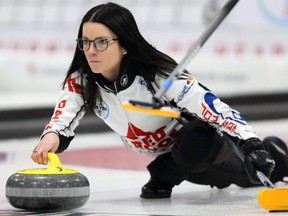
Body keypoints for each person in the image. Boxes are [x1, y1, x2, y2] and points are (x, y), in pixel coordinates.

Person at [31, 2, 288, 199]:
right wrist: (50, 137)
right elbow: (63, 118)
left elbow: (213, 108)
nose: (91, 51)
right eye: (85, 42)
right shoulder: (82, 81)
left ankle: (277, 158)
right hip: (171, 155)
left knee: (205, 144)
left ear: (125, 44)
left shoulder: (159, 77)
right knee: (189, 156)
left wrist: (252, 145)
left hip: (204, 147)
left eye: (101, 42)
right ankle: (166, 172)